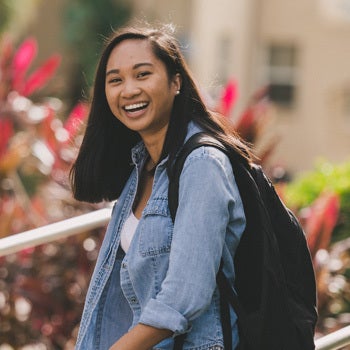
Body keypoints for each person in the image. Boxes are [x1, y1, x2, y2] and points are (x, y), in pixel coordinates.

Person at [71, 23, 254, 350]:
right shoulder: (142, 166)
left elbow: (184, 296)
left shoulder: (202, 164)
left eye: (142, 74)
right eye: (115, 80)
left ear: (176, 83)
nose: (128, 90)